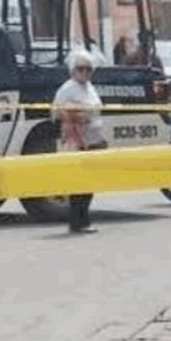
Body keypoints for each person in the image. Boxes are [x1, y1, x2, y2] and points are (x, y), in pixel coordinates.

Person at [52, 49, 108, 234]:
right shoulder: (68, 88)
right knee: (80, 184)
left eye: (88, 69)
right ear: (72, 70)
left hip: (94, 139)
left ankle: (83, 219)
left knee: (90, 184)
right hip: (78, 142)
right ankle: (78, 222)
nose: (84, 72)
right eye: (80, 68)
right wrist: (76, 115)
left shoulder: (89, 87)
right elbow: (57, 112)